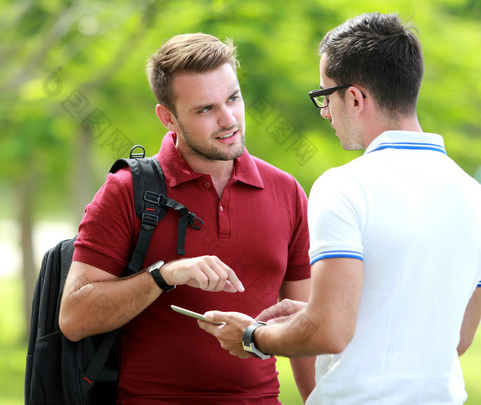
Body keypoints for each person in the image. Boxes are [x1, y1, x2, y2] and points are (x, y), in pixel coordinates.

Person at [199, 12, 481, 404]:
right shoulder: (473, 196)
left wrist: (252, 336)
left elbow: (330, 331)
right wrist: (318, 309)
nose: (325, 111)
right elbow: (456, 337)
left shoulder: (344, 186)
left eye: (324, 96)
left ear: (354, 97)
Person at [58, 33, 316, 404]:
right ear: (168, 117)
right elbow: (74, 316)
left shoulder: (287, 191)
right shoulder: (127, 190)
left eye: (233, 98)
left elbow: (302, 327)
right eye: (205, 109)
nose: (228, 120)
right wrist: (165, 275)